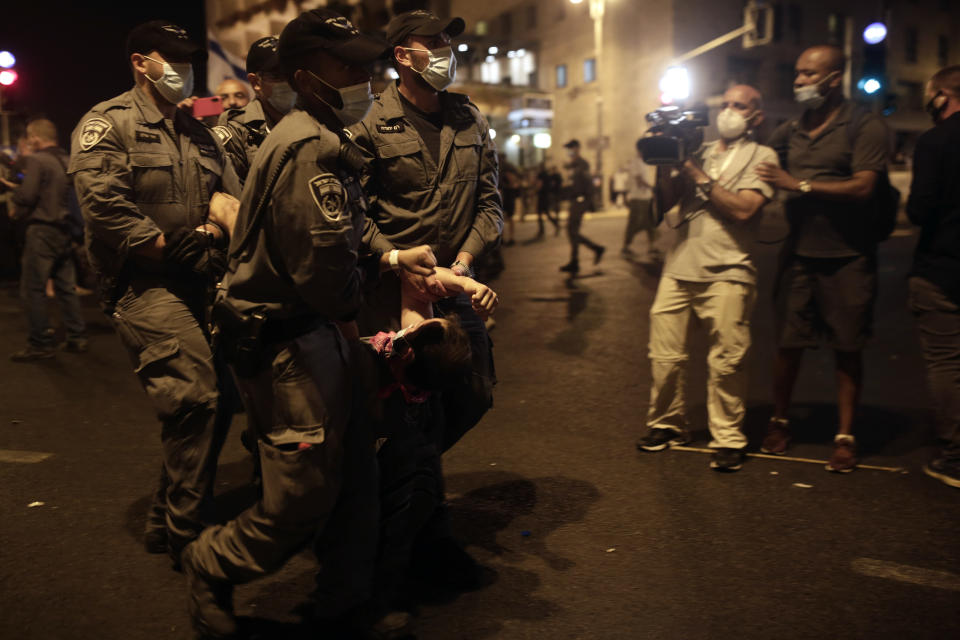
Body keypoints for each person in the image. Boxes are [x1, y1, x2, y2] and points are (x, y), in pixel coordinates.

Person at [177, 10, 439, 638]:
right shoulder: (308, 148)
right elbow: (322, 276)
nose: (362, 75)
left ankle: (343, 601)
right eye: (345, 65)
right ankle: (210, 562)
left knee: (354, 478)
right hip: (289, 341)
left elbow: (343, 245)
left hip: (319, 332)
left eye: (365, 63)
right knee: (300, 494)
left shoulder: (320, 135)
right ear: (305, 75)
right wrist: (376, 331)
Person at [68, 20, 242, 564]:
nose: (184, 70)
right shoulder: (107, 122)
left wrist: (210, 235)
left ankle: (165, 516)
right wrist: (163, 246)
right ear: (142, 62)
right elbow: (104, 206)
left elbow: (227, 200)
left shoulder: (198, 131)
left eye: (188, 59)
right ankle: (189, 536)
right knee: (195, 394)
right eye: (172, 59)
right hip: (142, 284)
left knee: (221, 400)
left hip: (200, 279)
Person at [348, 7, 502, 590]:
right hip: (395, 295)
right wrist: (395, 257)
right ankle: (409, 538)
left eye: (447, 40)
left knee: (475, 393)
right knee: (413, 415)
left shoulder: (468, 116)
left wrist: (460, 266)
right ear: (401, 55)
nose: (444, 49)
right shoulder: (367, 121)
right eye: (431, 41)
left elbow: (490, 204)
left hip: (454, 285)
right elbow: (352, 213)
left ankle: (383, 484)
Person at [756, 45, 890, 473]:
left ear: (834, 80)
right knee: (788, 345)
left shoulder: (863, 126)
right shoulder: (790, 131)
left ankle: (845, 436)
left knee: (848, 348)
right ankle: (780, 420)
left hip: (848, 257)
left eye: (809, 75)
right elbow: (758, 163)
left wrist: (800, 185)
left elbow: (864, 186)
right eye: (797, 74)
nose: (798, 82)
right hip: (797, 255)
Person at [636, 85, 777, 472]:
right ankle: (665, 424)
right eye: (726, 103)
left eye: (740, 105)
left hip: (730, 271)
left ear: (756, 116)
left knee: (728, 361)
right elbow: (665, 207)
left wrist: (695, 172)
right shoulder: (695, 149)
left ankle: (728, 437)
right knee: (663, 357)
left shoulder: (762, 156)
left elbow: (745, 210)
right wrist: (667, 162)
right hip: (679, 267)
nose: (729, 111)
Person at [906, 65, 960, 488]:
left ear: (942, 96)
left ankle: (957, 455)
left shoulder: (936, 141)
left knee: (947, 362)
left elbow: (919, 211)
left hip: (944, 267)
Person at [1, 119, 88, 361]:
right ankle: (77, 336)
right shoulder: (68, 160)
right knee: (65, 287)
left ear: (35, 138)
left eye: (29, 138)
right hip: (66, 230)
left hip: (42, 230)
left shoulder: (37, 160)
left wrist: (13, 191)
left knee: (32, 288)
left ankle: (40, 343)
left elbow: (27, 197)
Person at [214, 36, 297, 184]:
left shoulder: (315, 119)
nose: (287, 82)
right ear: (255, 82)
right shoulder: (236, 132)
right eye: (277, 76)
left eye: (290, 73)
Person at [559, 138, 604, 274]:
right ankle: (576, 260)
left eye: (570, 148)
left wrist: (588, 202)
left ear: (577, 148)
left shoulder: (582, 164)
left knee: (572, 231)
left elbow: (588, 184)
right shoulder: (572, 165)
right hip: (575, 200)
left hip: (581, 200)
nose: (568, 151)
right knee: (572, 231)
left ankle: (593, 250)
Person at [621, 139, 659, 261]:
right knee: (634, 223)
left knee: (650, 223)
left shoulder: (645, 162)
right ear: (640, 149)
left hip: (646, 197)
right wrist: (652, 188)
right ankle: (626, 246)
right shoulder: (635, 162)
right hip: (637, 198)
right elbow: (639, 180)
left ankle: (652, 246)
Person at [534, 161, 560, 238]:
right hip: (547, 196)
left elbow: (539, 185)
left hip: (542, 196)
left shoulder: (541, 175)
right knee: (547, 214)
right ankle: (556, 225)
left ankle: (542, 231)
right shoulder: (548, 175)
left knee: (540, 214)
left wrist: (535, 191)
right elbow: (551, 184)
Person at [499, 153, 521, 246]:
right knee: (508, 216)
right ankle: (508, 238)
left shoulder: (504, 167)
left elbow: (511, 179)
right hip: (509, 194)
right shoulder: (510, 166)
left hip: (506, 194)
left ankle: (505, 238)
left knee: (504, 216)